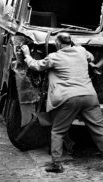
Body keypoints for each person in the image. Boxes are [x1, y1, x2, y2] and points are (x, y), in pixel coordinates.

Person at [22, 32, 103, 173]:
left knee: (57, 131)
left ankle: (57, 164)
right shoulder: (82, 51)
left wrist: (27, 54)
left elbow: (35, 66)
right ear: (70, 42)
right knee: (99, 130)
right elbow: (91, 57)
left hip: (69, 98)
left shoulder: (54, 57)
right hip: (90, 96)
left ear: (58, 44)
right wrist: (77, 47)